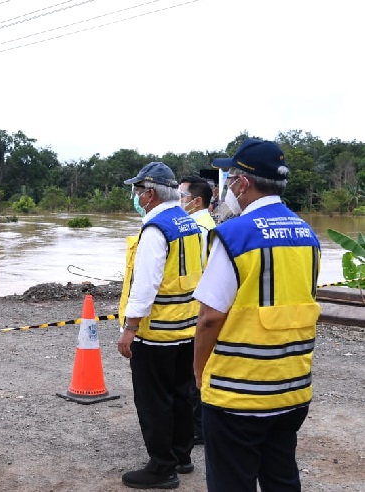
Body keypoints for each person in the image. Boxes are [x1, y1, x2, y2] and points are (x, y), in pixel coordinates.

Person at [193, 139, 321, 491]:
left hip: (239, 393)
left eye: (229, 179)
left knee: (232, 482)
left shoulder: (234, 235)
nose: (226, 188)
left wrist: (199, 370)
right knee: (281, 477)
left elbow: (209, 318)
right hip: (292, 388)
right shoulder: (307, 234)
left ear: (243, 183)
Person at [117, 162, 203, 489]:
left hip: (157, 333)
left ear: (150, 193)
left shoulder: (155, 230)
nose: (136, 196)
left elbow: (146, 284)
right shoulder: (188, 223)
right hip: (187, 328)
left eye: (138, 190)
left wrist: (130, 327)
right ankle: (181, 457)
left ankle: (162, 467)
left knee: (154, 401)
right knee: (182, 394)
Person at [178, 175, 216, 446]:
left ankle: (198, 429)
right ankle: (200, 426)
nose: (179, 201)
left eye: (182, 196)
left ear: (197, 201)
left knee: (193, 372)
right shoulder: (209, 226)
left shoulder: (195, 229)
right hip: (201, 306)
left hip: (194, 309)